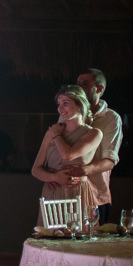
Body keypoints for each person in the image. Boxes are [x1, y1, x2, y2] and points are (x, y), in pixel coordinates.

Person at [31, 84, 102, 216]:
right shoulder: (51, 132)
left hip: (77, 192)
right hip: (53, 192)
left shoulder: (94, 133)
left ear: (79, 105)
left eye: (65, 103)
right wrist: (54, 177)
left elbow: (67, 155)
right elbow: (35, 169)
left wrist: (57, 136)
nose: (60, 108)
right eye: (59, 104)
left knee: (78, 233)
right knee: (51, 234)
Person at [64, 69, 122, 223]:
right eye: (78, 84)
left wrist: (84, 171)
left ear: (99, 88)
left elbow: (110, 160)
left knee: (91, 246)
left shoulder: (111, 118)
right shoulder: (67, 113)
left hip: (96, 196)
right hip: (67, 192)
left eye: (85, 84)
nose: (79, 88)